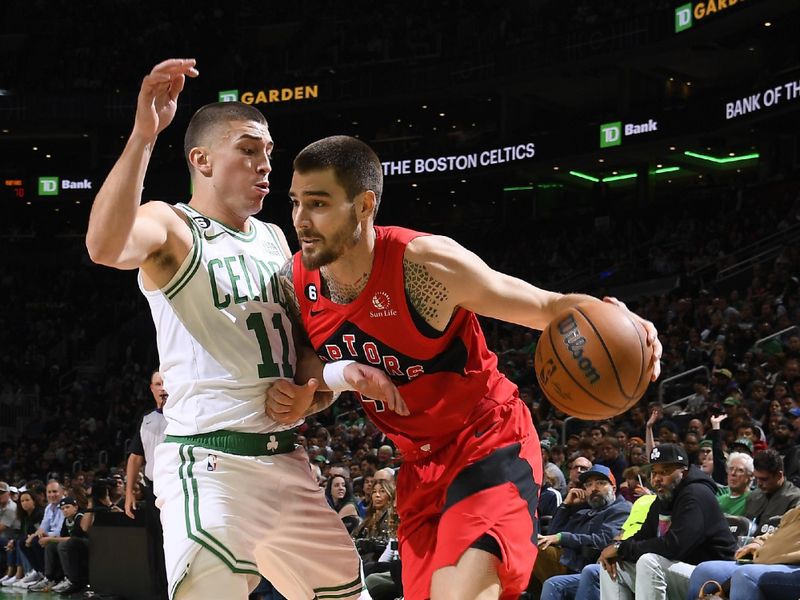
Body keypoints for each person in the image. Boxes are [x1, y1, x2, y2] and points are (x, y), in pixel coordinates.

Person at [268, 134, 661, 599]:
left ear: (364, 206)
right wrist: (313, 392)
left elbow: (544, 305)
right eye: (294, 203)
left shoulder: (426, 266)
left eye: (317, 204)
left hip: (487, 444)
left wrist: (617, 318)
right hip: (418, 468)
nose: (301, 220)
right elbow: (317, 379)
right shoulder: (296, 283)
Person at [85, 59, 404, 600]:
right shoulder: (174, 225)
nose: (265, 166)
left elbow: (301, 354)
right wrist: (143, 136)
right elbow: (104, 245)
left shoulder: (277, 240)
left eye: (269, 154)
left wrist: (317, 393)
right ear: (202, 160)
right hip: (209, 465)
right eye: (249, 150)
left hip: (285, 460)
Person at [597, 443, 735, 600]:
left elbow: (675, 546)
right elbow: (644, 534)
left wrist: (623, 549)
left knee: (648, 561)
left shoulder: (696, 494)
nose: (657, 479)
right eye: (654, 472)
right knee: (612, 563)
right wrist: (618, 548)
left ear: (684, 471)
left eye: (665, 472)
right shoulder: (664, 497)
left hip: (715, 574)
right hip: (684, 568)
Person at [531, 464, 630, 597]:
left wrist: (561, 537)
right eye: (588, 485)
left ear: (613, 487)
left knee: (535, 551)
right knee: (527, 550)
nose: (594, 488)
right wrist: (566, 506)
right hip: (569, 562)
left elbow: (603, 540)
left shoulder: (621, 509)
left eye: (600, 483)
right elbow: (552, 535)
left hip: (591, 566)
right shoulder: (583, 512)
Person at [125, 370, 169, 599]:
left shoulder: (185, 415)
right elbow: (135, 458)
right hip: (153, 491)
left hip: (178, 489)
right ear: (151, 388)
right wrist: (130, 492)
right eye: (158, 384)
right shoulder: (147, 419)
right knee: (155, 547)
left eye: (165, 383)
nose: (162, 388)